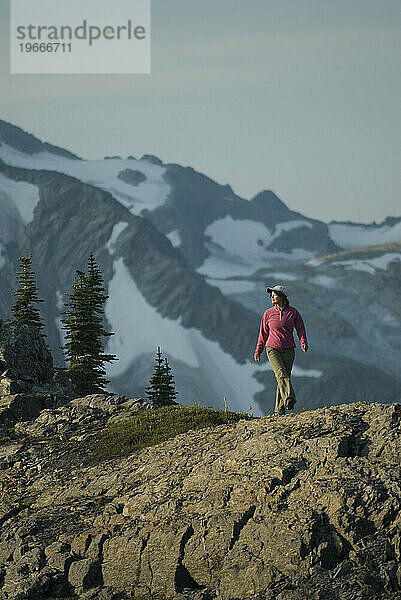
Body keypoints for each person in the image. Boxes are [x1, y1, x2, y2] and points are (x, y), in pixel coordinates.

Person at [254, 285, 308, 415]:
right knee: (281, 374)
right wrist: (258, 350)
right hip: (272, 349)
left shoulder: (293, 312)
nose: (271, 296)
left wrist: (303, 342)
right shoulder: (268, 313)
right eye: (271, 294)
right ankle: (290, 397)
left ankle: (279, 410)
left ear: (283, 297)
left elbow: (300, 328)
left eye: (275, 294)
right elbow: (263, 333)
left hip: (289, 350)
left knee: (283, 378)